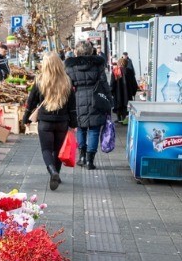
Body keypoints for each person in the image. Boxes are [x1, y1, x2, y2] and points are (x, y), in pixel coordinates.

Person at [23, 52, 77, 191]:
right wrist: (73, 124)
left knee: (46, 149)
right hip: (62, 121)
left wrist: (26, 118)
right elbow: (72, 105)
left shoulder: (40, 80)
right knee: (58, 150)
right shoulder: (67, 81)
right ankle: (56, 174)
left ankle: (52, 171)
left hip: (45, 121)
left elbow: (31, 101)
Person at [65, 40, 113, 170]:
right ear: (90, 50)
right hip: (95, 99)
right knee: (94, 130)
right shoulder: (98, 65)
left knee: (80, 128)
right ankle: (90, 161)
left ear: (77, 51)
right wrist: (109, 100)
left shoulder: (71, 67)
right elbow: (104, 84)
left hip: (78, 100)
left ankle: (81, 157)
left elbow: (67, 87)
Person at [110, 57, 137, 124]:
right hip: (128, 93)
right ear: (126, 64)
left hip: (117, 93)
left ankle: (119, 119)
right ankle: (125, 119)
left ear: (118, 63)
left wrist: (111, 91)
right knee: (126, 105)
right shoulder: (130, 71)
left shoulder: (115, 71)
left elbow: (112, 83)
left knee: (118, 105)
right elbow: (134, 83)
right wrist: (133, 92)